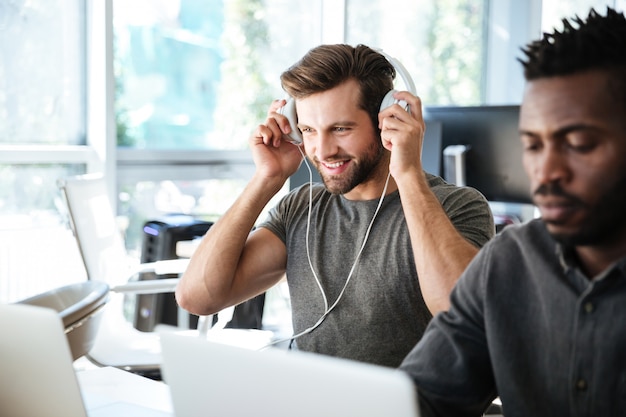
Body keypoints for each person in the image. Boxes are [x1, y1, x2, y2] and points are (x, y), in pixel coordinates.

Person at [176, 44, 494, 367]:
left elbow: (461, 311)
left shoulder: (458, 206)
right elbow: (197, 297)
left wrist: (408, 171)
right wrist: (266, 178)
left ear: (387, 119)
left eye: (340, 129)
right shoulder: (301, 209)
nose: (323, 150)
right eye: (309, 131)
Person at [399, 7, 626, 416]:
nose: (546, 172)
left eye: (578, 143)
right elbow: (421, 401)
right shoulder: (508, 263)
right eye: (533, 145)